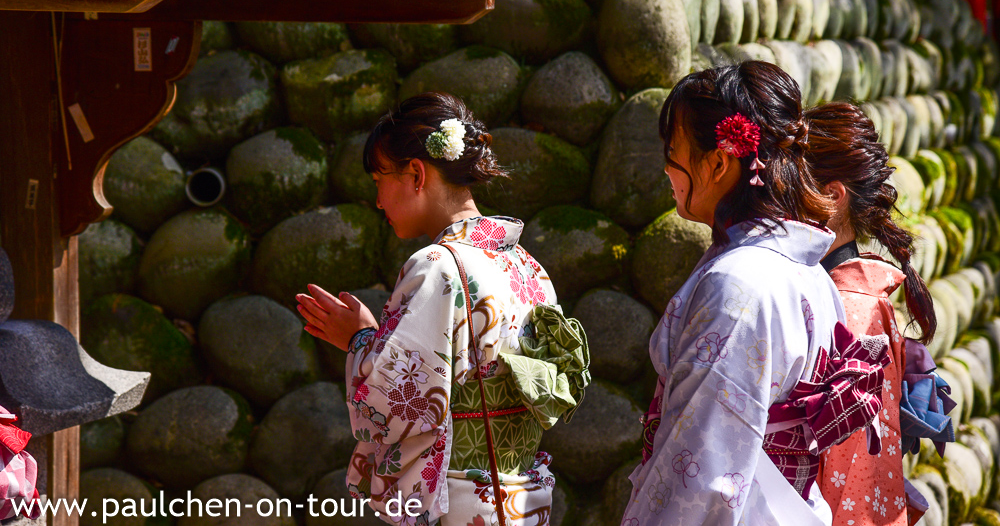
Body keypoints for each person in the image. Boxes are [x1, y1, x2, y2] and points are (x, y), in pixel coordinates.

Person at [296, 92, 590, 526]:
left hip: (460, 498)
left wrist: (359, 339)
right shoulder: (525, 265)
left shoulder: (438, 265)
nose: (378, 201)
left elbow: (400, 403)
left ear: (416, 174)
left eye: (379, 180)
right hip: (522, 498)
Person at [623, 62, 889, 526]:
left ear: (718, 163)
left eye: (673, 151)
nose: (666, 168)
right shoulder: (809, 274)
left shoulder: (739, 286)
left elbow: (702, 472)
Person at [807, 102, 953, 526]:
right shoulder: (853, 296)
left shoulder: (849, 312)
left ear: (832, 197)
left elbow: (847, 479)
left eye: (787, 184)